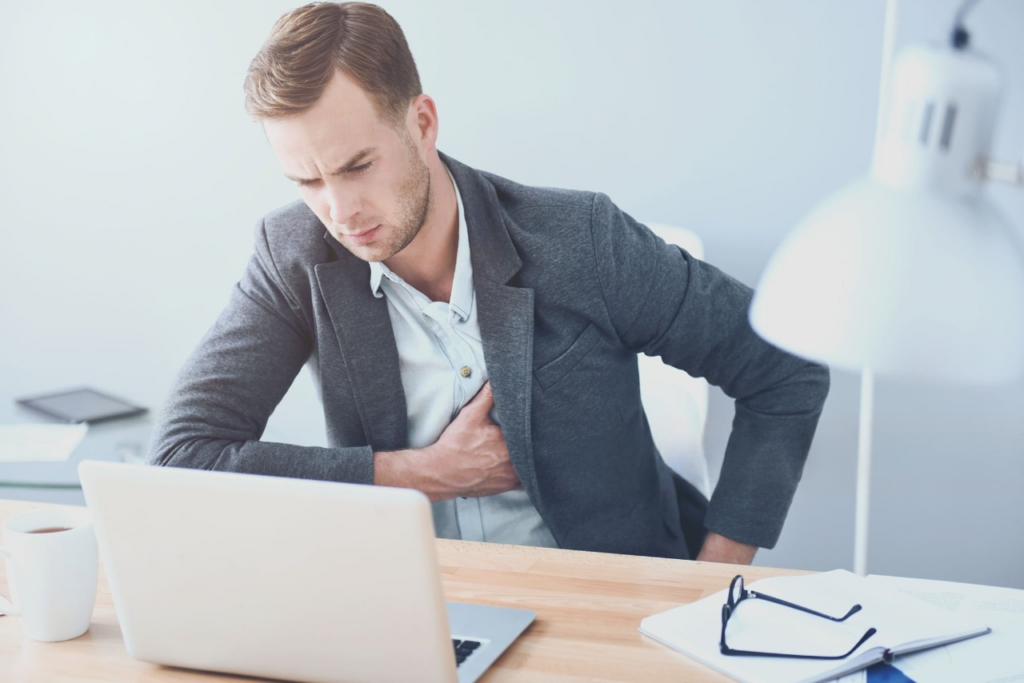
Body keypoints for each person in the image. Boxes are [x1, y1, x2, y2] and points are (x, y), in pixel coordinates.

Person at [150, 2, 829, 564]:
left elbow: (782, 366)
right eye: (306, 180)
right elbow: (183, 454)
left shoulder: (580, 240)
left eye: (357, 165)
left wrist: (711, 585)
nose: (338, 210)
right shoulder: (294, 255)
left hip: (604, 611)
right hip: (414, 615)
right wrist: (418, 474)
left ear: (422, 123)